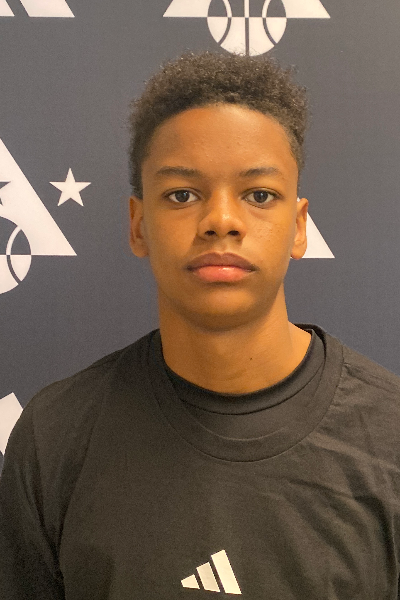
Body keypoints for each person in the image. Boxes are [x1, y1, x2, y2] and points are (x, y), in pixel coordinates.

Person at [1, 50, 400, 600]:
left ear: (299, 227)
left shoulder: (389, 437)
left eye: (259, 195)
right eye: (182, 195)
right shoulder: (54, 438)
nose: (221, 220)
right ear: (139, 226)